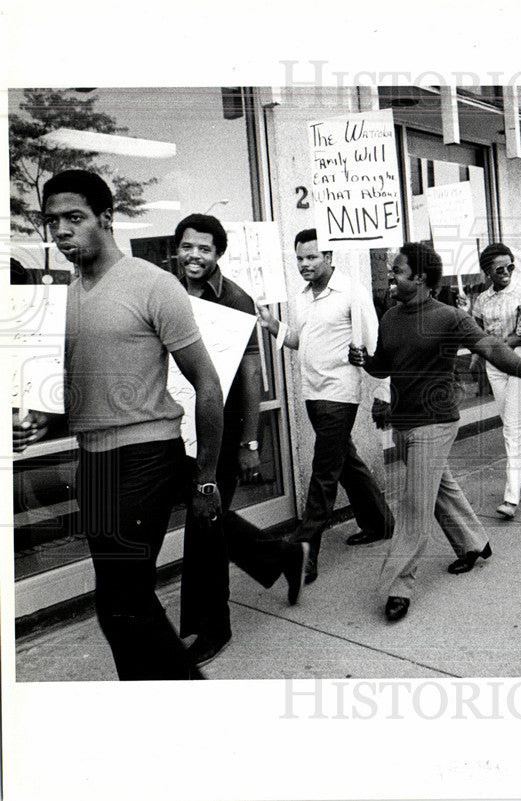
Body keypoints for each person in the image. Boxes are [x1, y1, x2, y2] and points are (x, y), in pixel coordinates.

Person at [27, 170, 224, 680]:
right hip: (93, 460)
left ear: (106, 219)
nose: (62, 231)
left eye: (75, 218)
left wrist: (204, 476)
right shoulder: (65, 297)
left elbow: (207, 385)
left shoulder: (154, 284)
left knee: (127, 599)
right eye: (53, 222)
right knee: (114, 607)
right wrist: (35, 425)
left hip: (147, 457)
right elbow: (69, 396)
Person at [349, 242, 521, 622]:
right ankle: (474, 545)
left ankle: (399, 586)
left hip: (436, 422)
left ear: (421, 278)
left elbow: (491, 346)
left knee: (413, 506)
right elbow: (383, 366)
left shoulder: (449, 317)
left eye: (400, 271)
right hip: (405, 423)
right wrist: (365, 361)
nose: (392, 275)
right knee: (439, 486)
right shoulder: (391, 317)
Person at [173, 214, 308, 667]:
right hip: (175, 425)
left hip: (222, 428)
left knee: (204, 527)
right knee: (206, 517)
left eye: (204, 249)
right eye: (188, 246)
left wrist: (250, 442)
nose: (194, 255)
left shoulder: (236, 299)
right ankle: (283, 556)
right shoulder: (167, 293)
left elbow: (251, 375)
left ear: (218, 255)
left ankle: (214, 627)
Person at [258, 229, 394, 585]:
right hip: (313, 393)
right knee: (344, 461)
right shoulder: (302, 297)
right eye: (300, 258)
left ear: (329, 257)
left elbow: (373, 343)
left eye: (312, 257)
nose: (304, 264)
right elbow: (300, 341)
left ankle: (304, 550)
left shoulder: (352, 292)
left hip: (340, 393)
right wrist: (274, 326)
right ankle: (381, 524)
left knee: (323, 473)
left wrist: (382, 393)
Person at [471, 243, 521, 519]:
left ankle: (511, 498)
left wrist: (520, 341)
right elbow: (475, 331)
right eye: (499, 268)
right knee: (514, 424)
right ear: (488, 271)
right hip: (495, 366)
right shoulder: (482, 300)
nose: (506, 272)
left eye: (510, 266)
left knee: (512, 429)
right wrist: (477, 355)